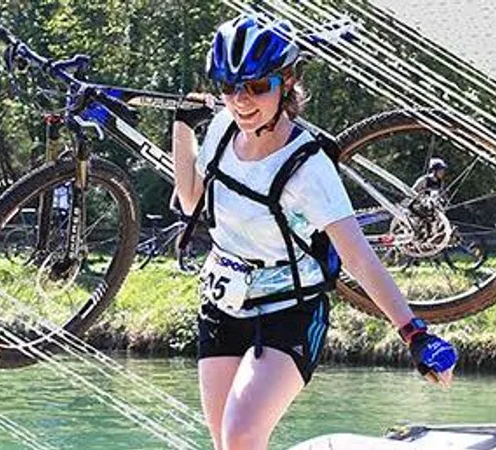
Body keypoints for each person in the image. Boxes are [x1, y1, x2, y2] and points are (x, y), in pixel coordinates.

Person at [171, 15, 457, 450]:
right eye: (229, 87)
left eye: (256, 87)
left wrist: (414, 332)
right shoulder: (222, 132)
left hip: (289, 311)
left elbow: (359, 257)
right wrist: (182, 127)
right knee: (226, 445)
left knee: (241, 435)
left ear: (286, 84)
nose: (241, 101)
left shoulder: (309, 169)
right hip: (222, 305)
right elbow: (193, 204)